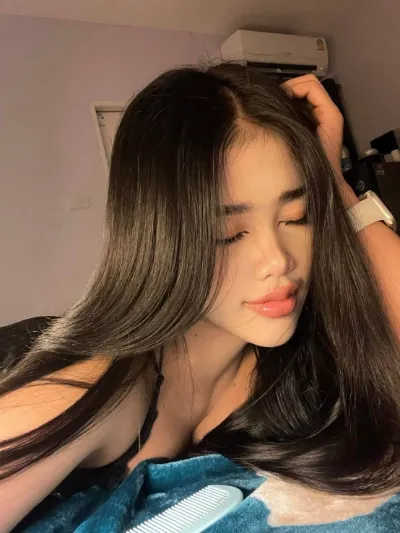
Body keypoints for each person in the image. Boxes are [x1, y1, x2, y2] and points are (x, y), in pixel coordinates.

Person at [1, 63, 400, 531]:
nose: (278, 259)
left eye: (297, 216)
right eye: (229, 233)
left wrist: (333, 181)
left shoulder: (303, 350)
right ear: (160, 238)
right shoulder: (92, 391)